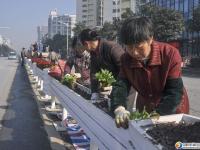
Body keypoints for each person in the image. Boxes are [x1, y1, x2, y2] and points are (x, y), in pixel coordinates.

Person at [111, 16, 189, 129]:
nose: (135, 52)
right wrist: (119, 107)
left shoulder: (170, 54)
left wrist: (158, 115)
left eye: (139, 47)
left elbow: (174, 92)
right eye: (129, 47)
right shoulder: (125, 59)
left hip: (171, 108)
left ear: (150, 39)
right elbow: (121, 85)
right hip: (145, 106)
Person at [74, 29, 125, 102]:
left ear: (86, 44)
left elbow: (124, 70)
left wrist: (116, 87)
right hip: (111, 89)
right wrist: (94, 92)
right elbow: (94, 73)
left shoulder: (112, 47)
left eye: (83, 46)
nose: (84, 49)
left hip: (126, 89)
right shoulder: (94, 53)